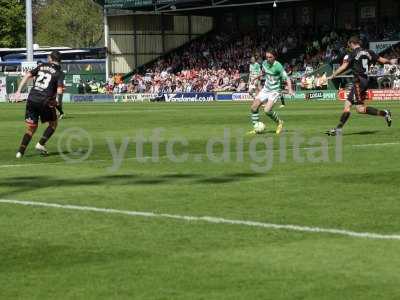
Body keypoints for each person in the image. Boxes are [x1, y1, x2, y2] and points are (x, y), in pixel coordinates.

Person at [326, 36, 396, 136]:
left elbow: (344, 66)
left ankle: (338, 130)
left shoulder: (352, 53)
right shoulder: (369, 52)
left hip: (359, 81)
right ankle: (385, 113)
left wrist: (333, 75)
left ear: (351, 43)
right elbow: (382, 60)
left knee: (358, 108)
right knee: (350, 106)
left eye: (349, 44)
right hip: (364, 81)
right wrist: (390, 61)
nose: (348, 46)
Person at [15, 50, 65, 158]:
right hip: (45, 101)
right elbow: (60, 91)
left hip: (32, 99)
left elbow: (27, 75)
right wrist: (59, 106)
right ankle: (40, 144)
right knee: (53, 124)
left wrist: (19, 91)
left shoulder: (42, 66)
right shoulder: (60, 73)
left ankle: (20, 152)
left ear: (51, 58)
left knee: (31, 128)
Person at [249, 49, 294, 135]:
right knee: (253, 107)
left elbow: (287, 78)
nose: (268, 59)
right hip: (266, 89)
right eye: (267, 57)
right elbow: (263, 72)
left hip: (274, 91)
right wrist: (255, 78)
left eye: (270, 57)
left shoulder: (278, 66)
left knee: (267, 110)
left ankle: (279, 122)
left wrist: (290, 89)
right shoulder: (265, 63)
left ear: (274, 57)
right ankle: (256, 127)